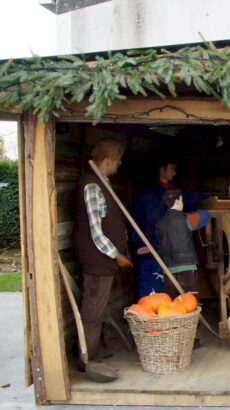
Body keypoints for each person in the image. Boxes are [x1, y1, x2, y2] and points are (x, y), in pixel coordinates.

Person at [73, 138, 132, 368]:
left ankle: (94, 350)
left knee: (98, 308)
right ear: (107, 161)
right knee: (93, 310)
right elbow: (95, 231)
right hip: (97, 260)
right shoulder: (92, 186)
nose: (119, 164)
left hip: (102, 261)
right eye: (118, 160)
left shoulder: (102, 183)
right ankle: (87, 358)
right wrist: (117, 255)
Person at [131, 158, 206, 298]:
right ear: (162, 169)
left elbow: (193, 198)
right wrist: (140, 244)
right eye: (172, 169)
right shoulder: (150, 195)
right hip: (152, 252)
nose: (175, 173)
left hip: (167, 253)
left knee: (168, 295)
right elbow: (136, 223)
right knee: (153, 295)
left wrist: (209, 195)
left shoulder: (173, 193)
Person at [156, 190, 211, 351]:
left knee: (172, 306)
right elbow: (205, 215)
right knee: (189, 305)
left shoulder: (160, 224)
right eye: (181, 200)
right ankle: (193, 342)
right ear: (177, 201)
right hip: (187, 267)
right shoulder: (187, 219)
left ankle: (175, 340)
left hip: (168, 269)